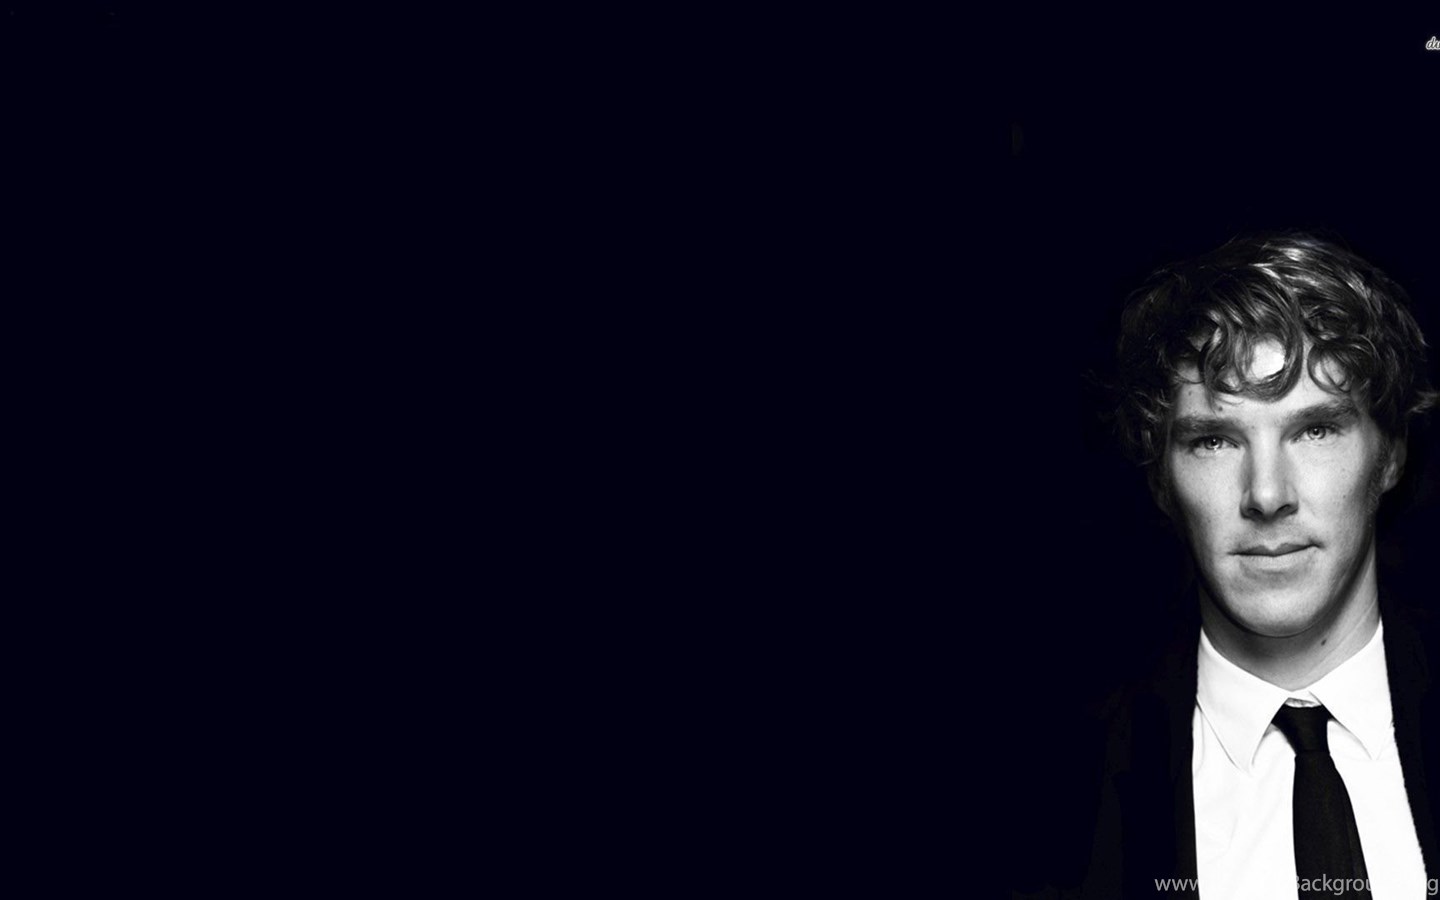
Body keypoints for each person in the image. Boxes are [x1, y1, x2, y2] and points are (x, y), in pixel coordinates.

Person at [1016, 232, 1440, 900]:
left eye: (1315, 430)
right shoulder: (1056, 800)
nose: (1267, 495)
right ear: (1162, 479)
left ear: (1389, 456)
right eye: (1214, 440)